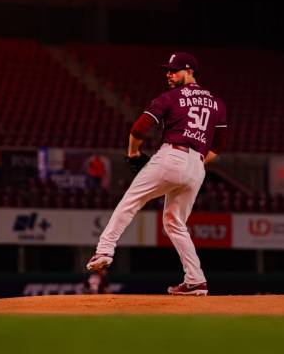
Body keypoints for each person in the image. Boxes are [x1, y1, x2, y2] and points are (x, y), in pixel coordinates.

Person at [86, 52, 228, 296]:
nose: (169, 74)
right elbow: (218, 147)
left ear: (190, 71)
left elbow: (139, 128)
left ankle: (104, 250)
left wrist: (133, 154)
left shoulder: (170, 97)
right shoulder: (217, 103)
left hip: (172, 154)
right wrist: (195, 164)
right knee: (175, 223)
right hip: (197, 166)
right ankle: (195, 280)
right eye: (168, 70)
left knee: (131, 201)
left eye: (174, 70)